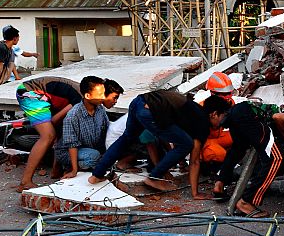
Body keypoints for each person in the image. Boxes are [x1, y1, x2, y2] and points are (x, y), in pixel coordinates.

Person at [90, 90, 226, 197]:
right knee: (187, 144)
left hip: (138, 102)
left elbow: (173, 137)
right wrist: (195, 193)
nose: (222, 123)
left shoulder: (192, 112)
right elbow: (195, 161)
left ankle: (96, 175)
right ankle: (154, 177)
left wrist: (180, 163)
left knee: (126, 138)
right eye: (223, 116)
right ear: (214, 114)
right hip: (149, 110)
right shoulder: (201, 122)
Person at [211, 101, 284, 218]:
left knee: (238, 149)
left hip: (239, 116)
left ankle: (220, 183)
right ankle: (246, 202)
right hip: (245, 116)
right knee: (275, 158)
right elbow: (278, 118)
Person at [15, 76, 81, 190]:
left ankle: (56, 170)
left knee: (57, 132)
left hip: (43, 94)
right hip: (30, 92)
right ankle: (25, 181)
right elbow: (54, 120)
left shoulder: (81, 93)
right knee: (48, 136)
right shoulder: (80, 99)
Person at [54, 76, 109, 178]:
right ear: (88, 95)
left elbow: (106, 130)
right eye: (100, 94)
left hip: (89, 148)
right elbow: (72, 145)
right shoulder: (73, 115)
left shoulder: (100, 110)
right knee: (94, 156)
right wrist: (74, 171)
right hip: (68, 152)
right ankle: (70, 168)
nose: (104, 97)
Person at [200, 72, 236, 168]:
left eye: (229, 93)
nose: (228, 97)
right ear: (213, 93)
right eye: (224, 94)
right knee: (220, 154)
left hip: (220, 137)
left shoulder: (231, 103)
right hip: (206, 141)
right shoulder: (202, 108)